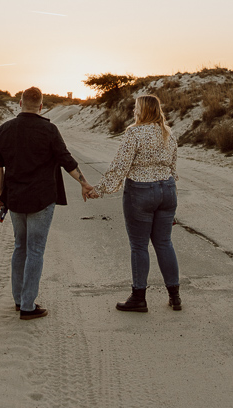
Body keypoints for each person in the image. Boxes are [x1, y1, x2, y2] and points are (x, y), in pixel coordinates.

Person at [0, 86, 96, 320]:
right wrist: (84, 182)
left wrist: (0, 193)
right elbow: (66, 160)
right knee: (35, 250)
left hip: (15, 197)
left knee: (20, 247)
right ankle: (28, 306)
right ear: (41, 106)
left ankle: (19, 301)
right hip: (42, 198)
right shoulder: (49, 130)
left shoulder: (4, 129)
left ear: (20, 104)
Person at [89, 94, 181, 313]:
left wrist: (99, 189)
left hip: (141, 191)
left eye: (136, 108)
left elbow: (120, 165)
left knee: (139, 246)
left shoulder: (134, 133)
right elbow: (173, 166)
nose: (133, 111)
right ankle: (175, 296)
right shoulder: (168, 133)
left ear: (142, 111)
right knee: (164, 242)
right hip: (167, 190)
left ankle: (139, 297)